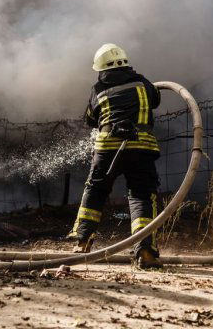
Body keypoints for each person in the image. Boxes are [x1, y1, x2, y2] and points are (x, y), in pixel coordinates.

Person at [67, 43, 163, 269]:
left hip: (108, 146)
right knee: (141, 195)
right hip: (141, 146)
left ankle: (82, 242)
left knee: (96, 190)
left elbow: (91, 119)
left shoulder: (98, 88)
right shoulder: (143, 82)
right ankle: (145, 251)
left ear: (102, 69)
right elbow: (156, 100)